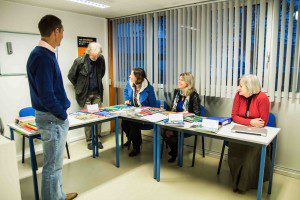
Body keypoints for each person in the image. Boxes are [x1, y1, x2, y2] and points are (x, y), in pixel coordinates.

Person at [26, 15, 77, 200]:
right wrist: (62, 114)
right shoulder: (42, 57)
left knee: (56, 166)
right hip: (52, 119)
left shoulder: (44, 54)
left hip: (51, 117)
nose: (63, 35)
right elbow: (47, 95)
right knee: (52, 168)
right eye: (62, 31)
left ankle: (59, 195)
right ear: (55, 31)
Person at [229, 74, 271, 192]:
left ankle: (244, 185)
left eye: (241, 86)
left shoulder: (262, 98)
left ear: (250, 87)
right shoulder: (238, 95)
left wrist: (246, 122)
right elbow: (233, 117)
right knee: (234, 150)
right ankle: (236, 181)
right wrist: (251, 122)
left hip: (256, 134)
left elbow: (263, 122)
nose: (238, 88)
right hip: (239, 131)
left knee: (250, 155)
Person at [68, 42, 106, 150]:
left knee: (99, 117)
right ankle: (89, 141)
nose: (97, 56)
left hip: (97, 93)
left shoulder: (101, 59)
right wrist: (79, 86)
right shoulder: (79, 61)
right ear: (89, 52)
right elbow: (71, 76)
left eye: (98, 54)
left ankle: (97, 139)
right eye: (95, 55)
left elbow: (101, 73)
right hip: (85, 95)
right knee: (88, 118)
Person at [162, 72, 201, 163]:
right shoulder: (177, 92)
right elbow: (173, 108)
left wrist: (186, 114)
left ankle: (175, 153)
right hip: (176, 119)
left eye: (181, 80)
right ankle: (175, 150)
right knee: (162, 130)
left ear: (188, 82)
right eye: (179, 79)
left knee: (172, 132)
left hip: (187, 122)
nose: (179, 81)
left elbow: (198, 115)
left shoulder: (194, 96)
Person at [121, 68, 157, 157]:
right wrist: (127, 100)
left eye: (131, 74)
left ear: (137, 77)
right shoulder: (130, 83)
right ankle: (131, 139)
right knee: (124, 123)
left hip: (145, 115)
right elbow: (126, 91)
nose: (129, 76)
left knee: (134, 125)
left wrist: (143, 111)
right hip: (133, 111)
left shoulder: (148, 88)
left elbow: (153, 105)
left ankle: (136, 147)